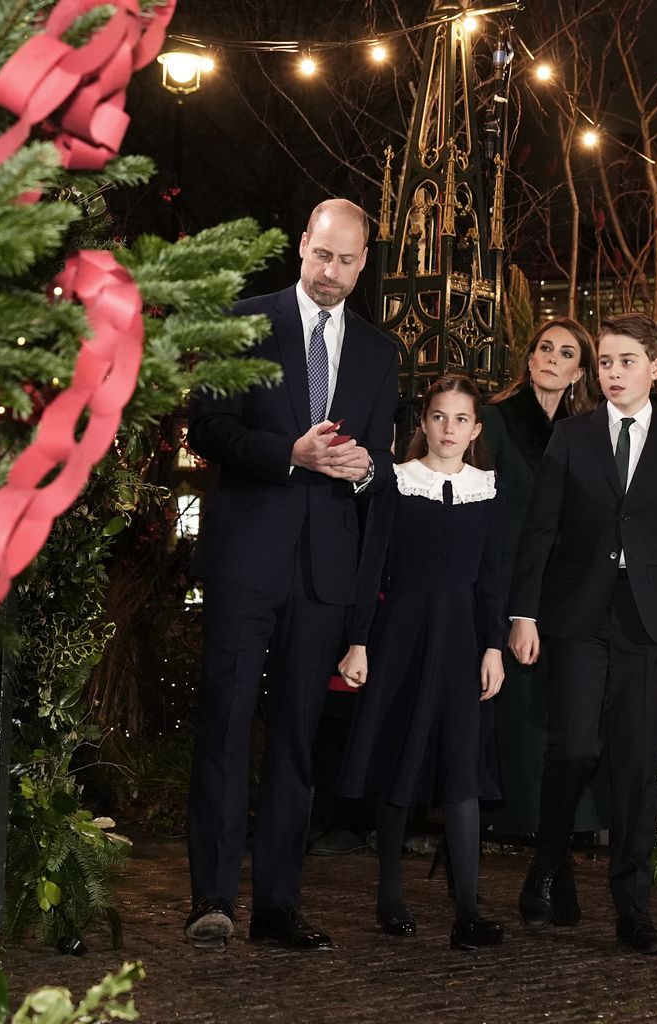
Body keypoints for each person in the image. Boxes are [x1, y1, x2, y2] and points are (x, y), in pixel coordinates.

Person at [184, 198, 398, 951]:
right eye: (321, 256)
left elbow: (377, 473)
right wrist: (290, 455)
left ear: (364, 260)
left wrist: (367, 469)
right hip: (246, 561)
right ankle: (211, 898)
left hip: (323, 574)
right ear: (302, 245)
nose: (331, 273)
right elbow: (205, 429)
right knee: (225, 725)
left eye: (346, 261)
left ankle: (277, 905)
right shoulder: (242, 320)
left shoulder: (380, 352)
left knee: (298, 744)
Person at [508, 311, 657, 955]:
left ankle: (633, 907)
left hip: (647, 623)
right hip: (575, 617)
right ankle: (546, 868)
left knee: (634, 766)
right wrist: (523, 613)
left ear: (655, 368)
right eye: (605, 363)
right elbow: (539, 529)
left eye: (627, 361)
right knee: (571, 749)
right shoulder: (571, 437)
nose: (614, 372)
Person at [337, 373, 507, 951]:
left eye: (461, 419)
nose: (449, 429)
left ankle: (467, 911)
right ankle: (390, 894)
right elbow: (371, 564)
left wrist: (494, 647)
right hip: (402, 638)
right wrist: (358, 639)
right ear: (424, 424)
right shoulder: (397, 483)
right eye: (439, 417)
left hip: (464, 643)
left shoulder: (489, 489)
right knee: (400, 760)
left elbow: (492, 579)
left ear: (476, 430)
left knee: (462, 768)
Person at [480, 319, 602, 903]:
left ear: (581, 371)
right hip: (514, 592)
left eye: (567, 353)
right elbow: (487, 512)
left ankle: (554, 867)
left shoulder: (588, 432)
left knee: (572, 731)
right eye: (544, 349)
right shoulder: (498, 421)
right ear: (528, 359)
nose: (552, 359)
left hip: (576, 599)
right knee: (531, 735)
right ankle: (553, 869)